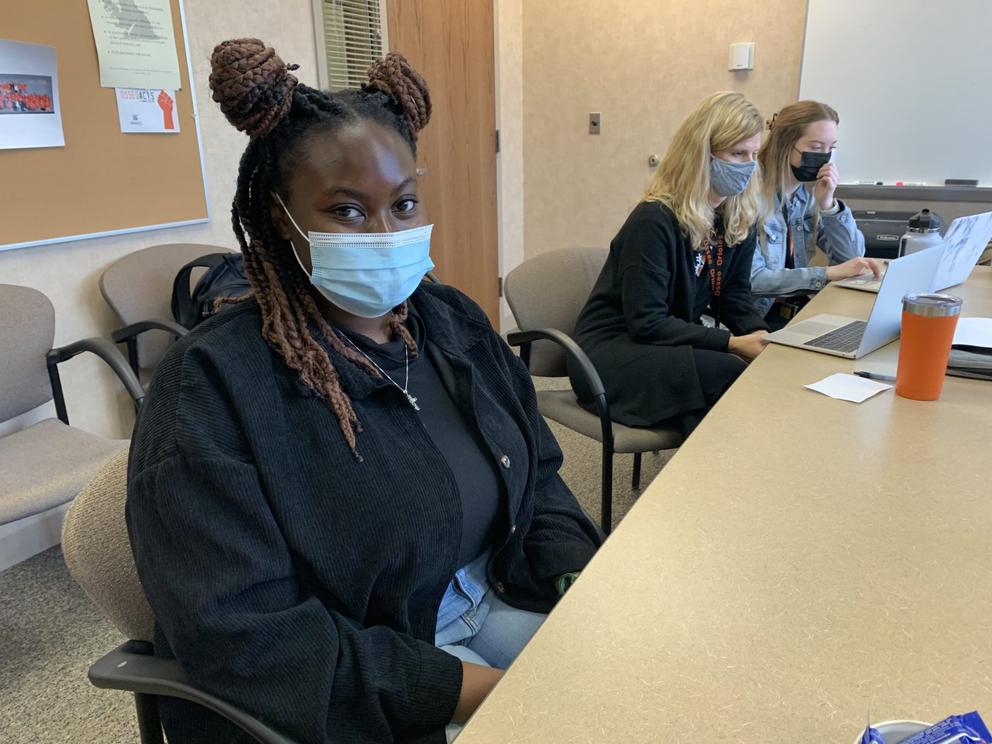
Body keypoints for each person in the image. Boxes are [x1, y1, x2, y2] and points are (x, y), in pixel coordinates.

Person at [125, 39, 601, 744]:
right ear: (277, 221)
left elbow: (541, 473)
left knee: (639, 685)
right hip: (360, 684)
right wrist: (476, 693)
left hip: (488, 595)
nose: (386, 233)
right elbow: (246, 638)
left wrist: (576, 583)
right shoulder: (212, 388)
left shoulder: (451, 322)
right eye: (346, 211)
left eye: (404, 203)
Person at [571, 91, 770, 438]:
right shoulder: (654, 219)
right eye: (737, 153)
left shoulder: (737, 217)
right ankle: (711, 480)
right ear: (702, 155)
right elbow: (647, 322)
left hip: (665, 343)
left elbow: (734, 295)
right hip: (612, 352)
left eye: (753, 154)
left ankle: (706, 482)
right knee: (726, 373)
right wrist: (732, 343)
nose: (748, 165)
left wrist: (763, 338)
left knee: (740, 387)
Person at [752, 100, 879, 328]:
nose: (825, 156)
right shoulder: (749, 194)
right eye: (816, 147)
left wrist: (829, 206)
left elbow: (851, 257)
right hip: (756, 317)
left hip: (794, 312)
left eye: (831, 148)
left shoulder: (809, 194)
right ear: (784, 144)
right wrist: (826, 274)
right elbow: (754, 279)